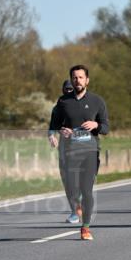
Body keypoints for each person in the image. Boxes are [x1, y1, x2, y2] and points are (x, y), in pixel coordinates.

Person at [50, 65, 109, 240]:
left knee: (87, 190)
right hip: (70, 152)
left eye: (81, 77)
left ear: (87, 80)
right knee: (72, 189)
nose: (78, 81)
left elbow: (106, 128)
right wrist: (58, 132)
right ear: (71, 79)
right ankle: (77, 207)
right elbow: (55, 124)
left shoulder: (97, 101)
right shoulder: (63, 102)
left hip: (90, 151)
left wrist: (96, 125)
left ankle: (85, 228)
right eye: (75, 78)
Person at [48, 79, 82, 224]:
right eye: (66, 89)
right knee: (66, 180)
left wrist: (74, 133)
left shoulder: (82, 106)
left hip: (81, 146)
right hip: (64, 146)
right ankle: (74, 211)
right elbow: (52, 125)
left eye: (70, 89)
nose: (68, 91)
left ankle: (80, 203)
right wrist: (51, 136)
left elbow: (92, 130)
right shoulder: (59, 106)